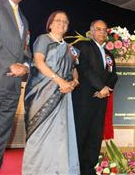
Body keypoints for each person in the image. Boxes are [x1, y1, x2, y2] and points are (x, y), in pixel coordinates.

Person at [22, 11, 80, 174]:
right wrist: (60, 81)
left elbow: (74, 69)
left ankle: (57, 169)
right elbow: (39, 63)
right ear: (51, 23)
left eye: (65, 22)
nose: (62, 24)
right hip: (41, 93)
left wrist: (74, 82)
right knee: (39, 134)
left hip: (63, 94)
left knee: (59, 135)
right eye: (58, 20)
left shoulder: (70, 48)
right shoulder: (43, 39)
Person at [0, 0, 31, 174]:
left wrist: (26, 65)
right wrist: (10, 64)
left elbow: (25, 50)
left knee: (0, 136)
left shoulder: (23, 19)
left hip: (13, 89)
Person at [73, 20, 118, 175]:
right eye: (98, 29)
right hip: (84, 100)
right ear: (91, 32)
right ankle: (76, 169)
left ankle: (88, 168)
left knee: (95, 136)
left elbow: (114, 76)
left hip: (101, 100)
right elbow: (84, 69)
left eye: (104, 30)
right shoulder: (83, 47)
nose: (102, 33)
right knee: (81, 135)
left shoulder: (109, 54)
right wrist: (101, 87)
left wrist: (107, 90)